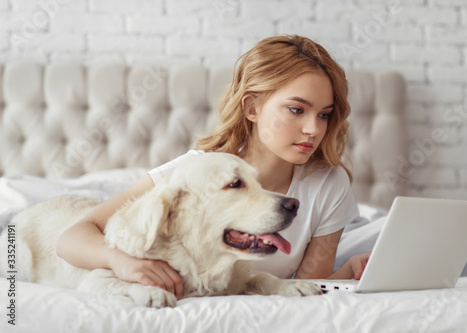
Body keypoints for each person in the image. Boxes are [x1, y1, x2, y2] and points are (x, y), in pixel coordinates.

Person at [56, 35, 370, 300]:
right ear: (252, 107)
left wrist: (353, 270)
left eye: (324, 114)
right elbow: (71, 238)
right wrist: (121, 262)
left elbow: (305, 289)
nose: (313, 129)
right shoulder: (195, 173)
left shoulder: (329, 183)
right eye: (296, 109)